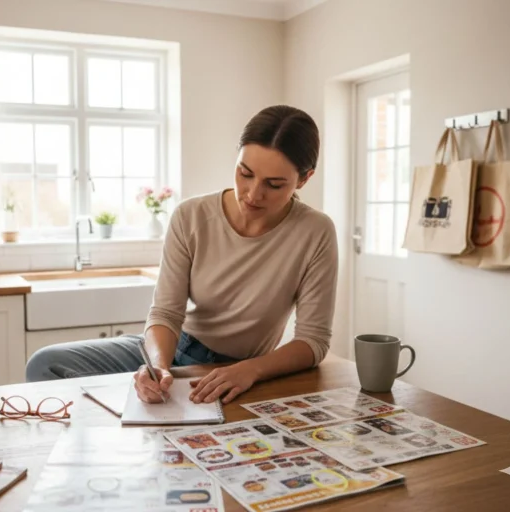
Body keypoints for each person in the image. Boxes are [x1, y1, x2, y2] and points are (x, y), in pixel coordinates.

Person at [26, 104, 339, 406]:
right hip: (175, 346)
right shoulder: (191, 216)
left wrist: (252, 369)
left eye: (273, 184)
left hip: (237, 369)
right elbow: (166, 314)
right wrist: (158, 366)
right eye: (245, 173)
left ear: (304, 178)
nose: (253, 194)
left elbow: (313, 341)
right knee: (46, 363)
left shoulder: (315, 231)